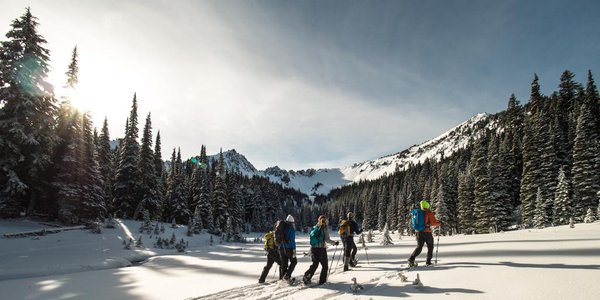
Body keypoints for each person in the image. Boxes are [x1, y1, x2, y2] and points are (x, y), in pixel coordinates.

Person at [302, 215, 339, 285]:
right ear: (325, 221)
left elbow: (312, 238)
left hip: (314, 249)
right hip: (321, 250)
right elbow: (327, 240)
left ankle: (307, 276)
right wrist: (334, 243)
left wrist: (310, 251)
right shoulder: (324, 228)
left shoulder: (315, 227)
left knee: (315, 264)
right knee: (325, 266)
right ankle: (322, 281)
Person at [408, 200, 441, 267]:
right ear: (427, 206)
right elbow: (434, 223)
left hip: (418, 232)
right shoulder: (429, 212)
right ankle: (428, 262)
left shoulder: (417, 212)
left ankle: (411, 259)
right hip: (427, 232)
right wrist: (439, 223)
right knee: (430, 246)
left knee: (419, 247)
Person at [277, 214, 297, 283]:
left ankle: (283, 278)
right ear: (292, 222)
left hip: (281, 248)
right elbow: (292, 240)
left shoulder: (281, 226)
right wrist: (294, 250)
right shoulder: (291, 228)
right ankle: (287, 276)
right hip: (289, 248)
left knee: (284, 264)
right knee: (294, 262)